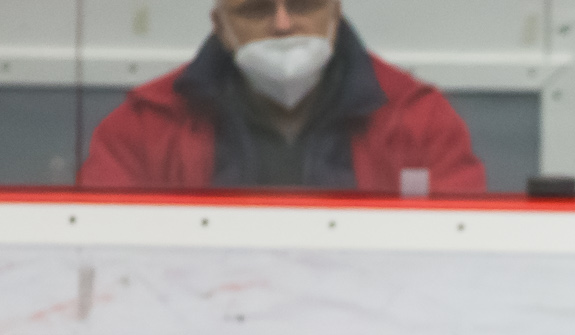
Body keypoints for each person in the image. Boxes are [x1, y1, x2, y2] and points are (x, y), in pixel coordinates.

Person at [79, 0, 484, 195]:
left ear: (335, 12)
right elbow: (104, 262)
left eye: (304, 5)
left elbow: (459, 263)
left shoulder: (418, 120)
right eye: (255, 10)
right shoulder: (144, 127)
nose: (283, 24)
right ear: (221, 26)